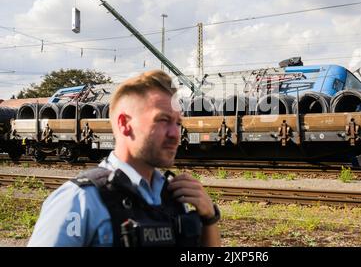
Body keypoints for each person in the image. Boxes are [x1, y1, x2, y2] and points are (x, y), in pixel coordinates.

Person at [28, 70, 221, 247]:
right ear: (124, 124)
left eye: (178, 123)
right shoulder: (78, 200)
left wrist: (210, 218)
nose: (175, 134)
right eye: (163, 120)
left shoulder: (175, 197)